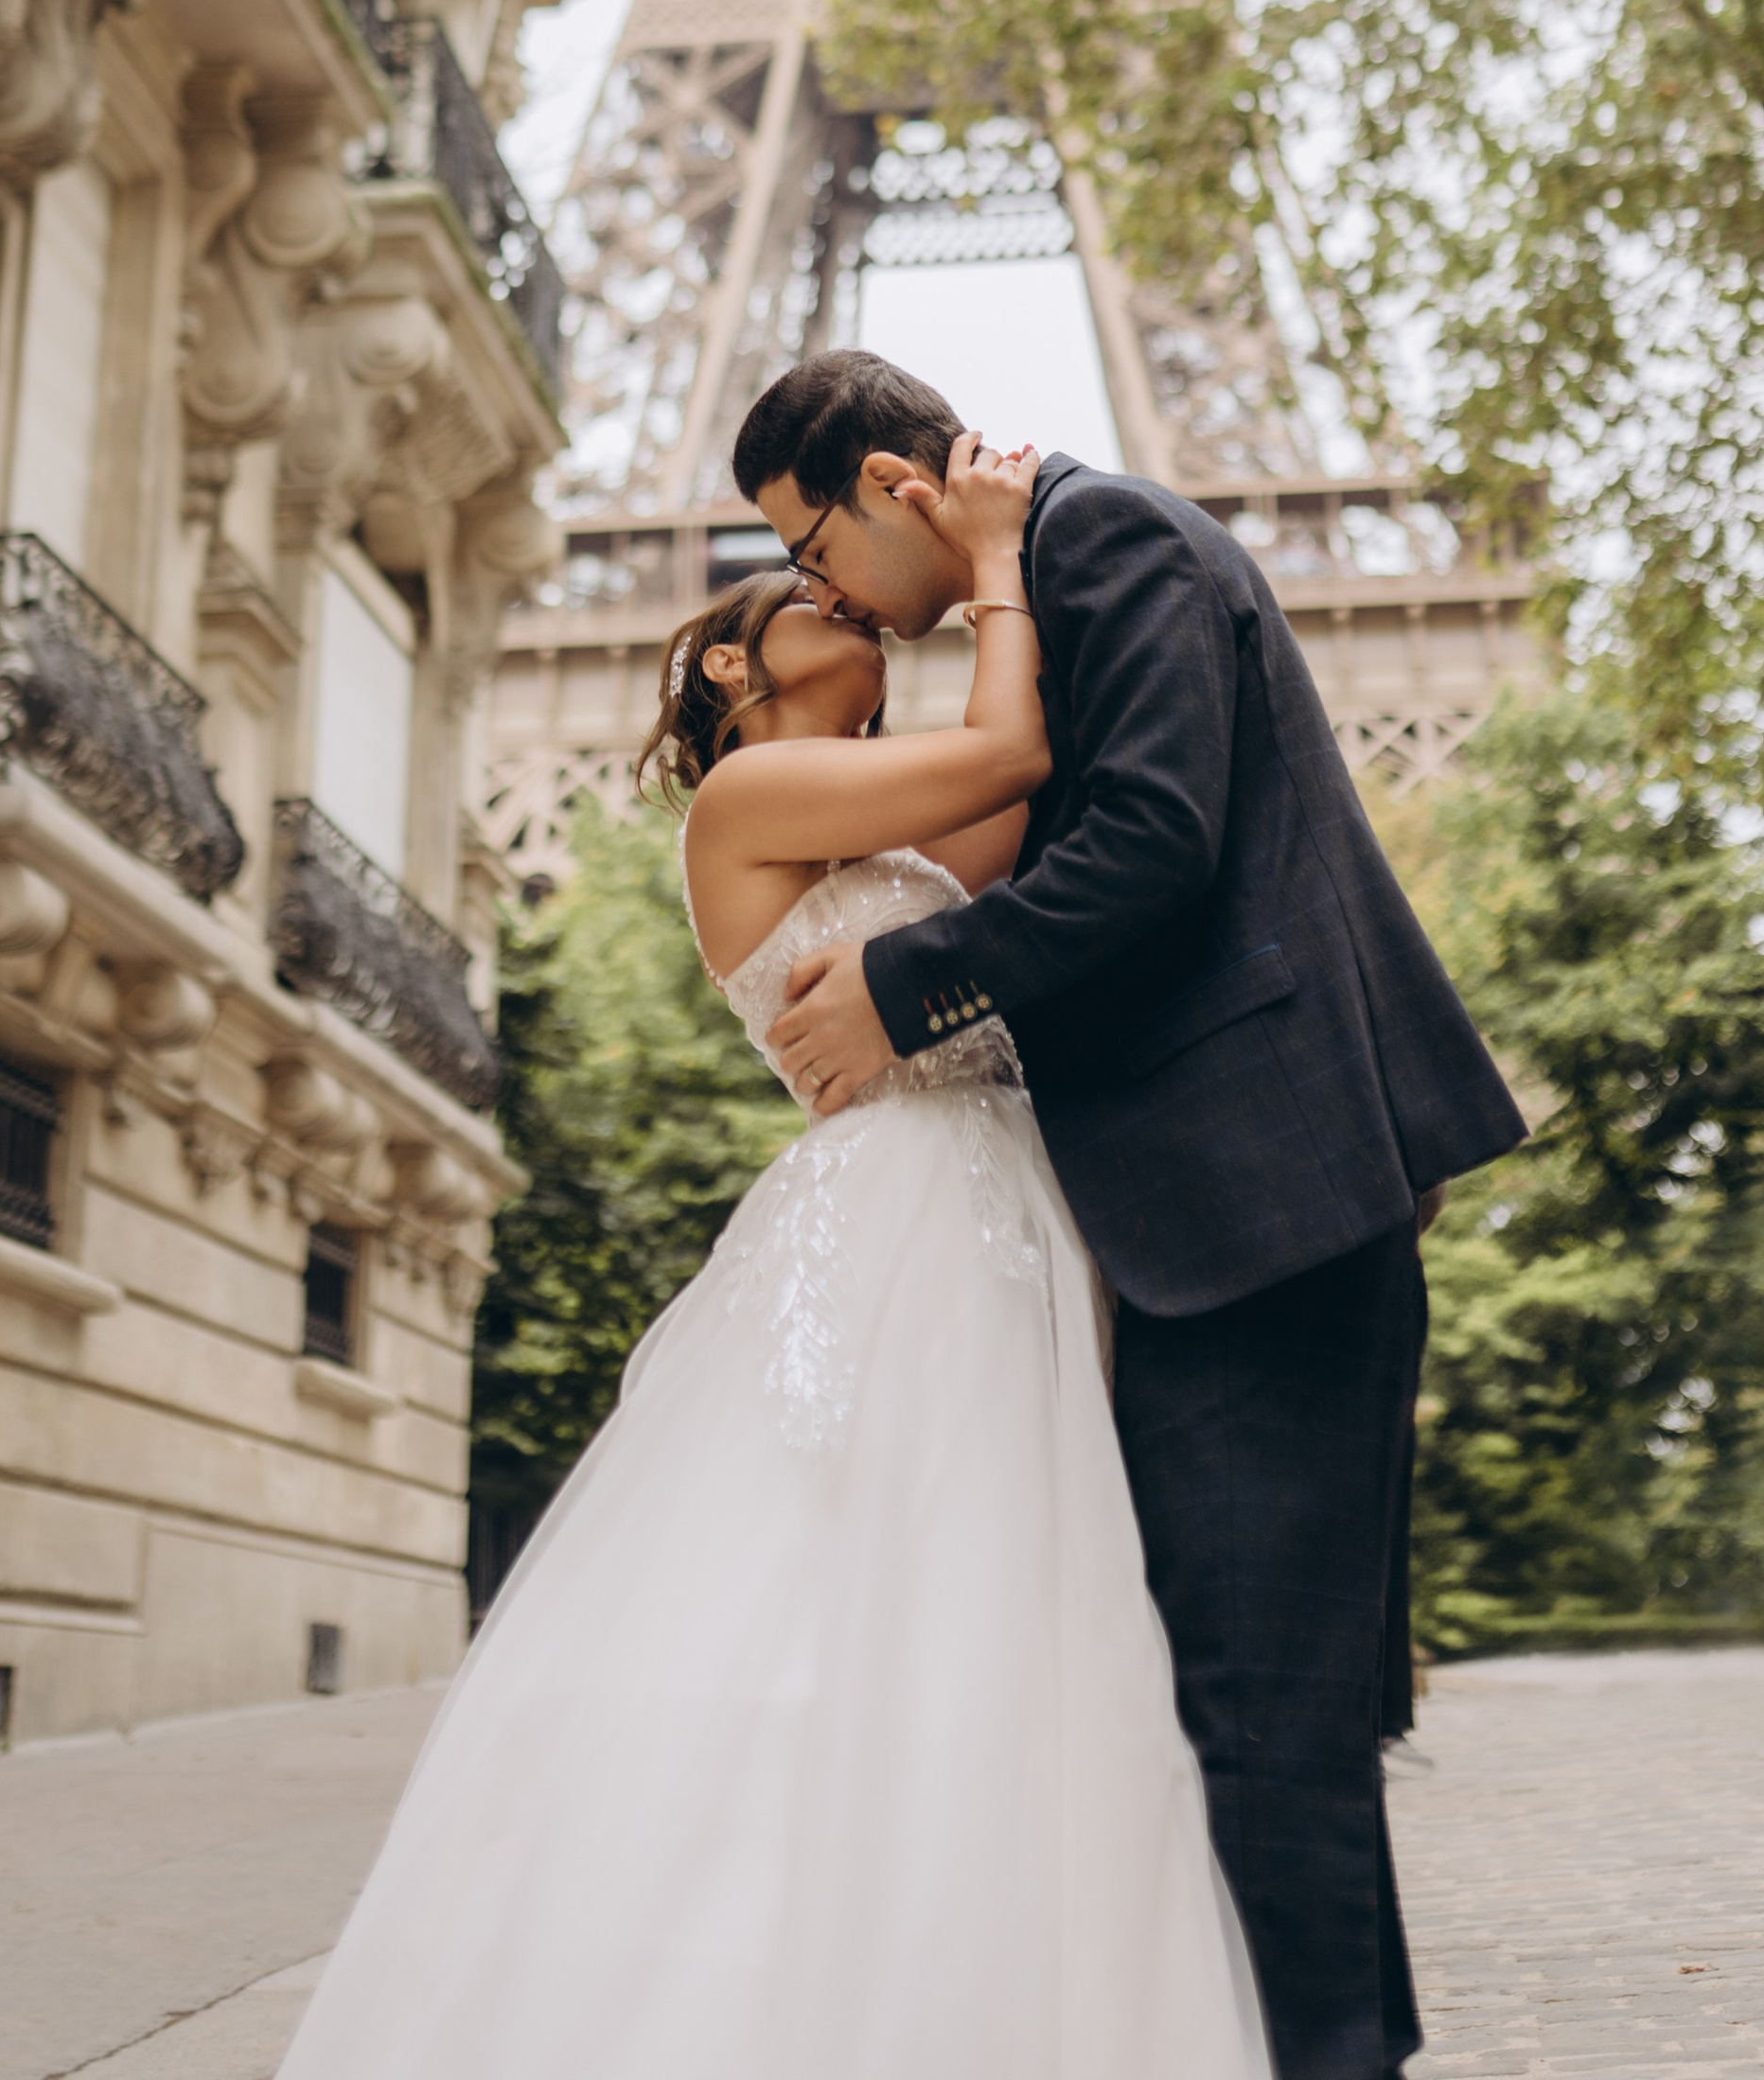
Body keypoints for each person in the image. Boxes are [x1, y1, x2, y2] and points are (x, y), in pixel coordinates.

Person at [277, 433, 1274, 2080]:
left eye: (847, 581)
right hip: (892, 1220)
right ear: (737, 656)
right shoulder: (745, 802)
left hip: (1006, 1208)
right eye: (809, 591)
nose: (846, 600)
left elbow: (1034, 814)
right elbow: (1016, 739)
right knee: (856, 1573)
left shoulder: (875, 826)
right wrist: (998, 556)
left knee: (998, 1591)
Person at [735, 351, 1529, 2080]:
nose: (818, 595)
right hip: (1230, 1206)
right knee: (1254, 1712)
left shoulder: (1113, 549)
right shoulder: (1081, 556)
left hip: (1261, 1199)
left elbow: (1156, 840)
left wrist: (903, 987)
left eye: (813, 551)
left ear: (887, 487)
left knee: (1256, 1714)